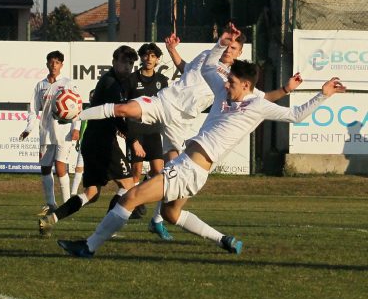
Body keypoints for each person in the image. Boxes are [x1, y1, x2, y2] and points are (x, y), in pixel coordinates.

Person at [56, 24, 346, 258]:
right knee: (170, 214)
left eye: (231, 82)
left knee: (131, 197)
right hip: (191, 166)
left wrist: (323, 94)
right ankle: (224, 240)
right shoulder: (223, 92)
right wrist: (220, 43)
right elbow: (208, 68)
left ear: (246, 85)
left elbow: (295, 115)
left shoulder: (257, 105)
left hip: (189, 169)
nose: (226, 84)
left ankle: (89, 246)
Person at [141, 31, 303, 242]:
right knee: (168, 167)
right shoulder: (208, 56)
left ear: (240, 52)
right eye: (227, 46)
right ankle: (147, 207)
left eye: (233, 48)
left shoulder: (235, 78)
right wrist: (172, 51)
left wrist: (285, 89)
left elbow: (263, 99)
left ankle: (152, 211)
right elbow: (187, 70)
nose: (228, 50)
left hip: (183, 119)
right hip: (168, 106)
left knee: (172, 169)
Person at [39, 45, 139, 237]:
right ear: (114, 62)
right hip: (103, 143)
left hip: (91, 142)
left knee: (91, 194)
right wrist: (131, 137)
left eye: (131, 63)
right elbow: (117, 115)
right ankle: (107, 229)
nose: (128, 67)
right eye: (124, 62)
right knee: (128, 185)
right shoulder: (111, 84)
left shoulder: (113, 81)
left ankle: (51, 219)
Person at [20, 51, 80, 214]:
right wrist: (28, 129)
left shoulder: (68, 84)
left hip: (64, 133)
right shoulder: (41, 86)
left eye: (57, 62)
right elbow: (33, 110)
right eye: (51, 62)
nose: (54, 65)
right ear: (47, 64)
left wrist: (76, 128)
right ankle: (51, 203)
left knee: (61, 168)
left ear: (62, 65)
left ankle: (67, 204)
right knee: (45, 168)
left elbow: (76, 107)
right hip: (45, 133)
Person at [125, 43, 169, 223]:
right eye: (146, 55)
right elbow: (125, 108)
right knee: (135, 172)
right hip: (136, 131)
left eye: (153, 56)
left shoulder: (163, 81)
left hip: (153, 131)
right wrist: (131, 137)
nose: (149, 59)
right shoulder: (131, 80)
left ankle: (142, 197)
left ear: (157, 60)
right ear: (141, 58)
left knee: (158, 171)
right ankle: (134, 205)